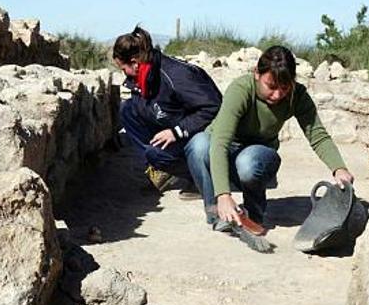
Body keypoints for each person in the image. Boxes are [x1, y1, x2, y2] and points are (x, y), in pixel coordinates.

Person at [184, 45, 355, 229]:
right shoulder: (241, 90)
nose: (277, 94)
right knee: (199, 145)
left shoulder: (297, 96)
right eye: (271, 86)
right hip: (224, 150)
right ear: (257, 73)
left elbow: (318, 135)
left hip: (257, 157)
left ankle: (254, 214)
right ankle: (219, 213)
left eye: (285, 88)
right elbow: (220, 142)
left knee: (247, 162)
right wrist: (223, 195)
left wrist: (339, 168)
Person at [113, 26, 222, 192]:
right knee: (128, 109)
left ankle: (199, 175)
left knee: (155, 153)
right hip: (171, 121)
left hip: (197, 134)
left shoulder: (177, 75)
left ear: (135, 63)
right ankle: (161, 170)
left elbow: (213, 107)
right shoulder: (143, 76)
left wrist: (177, 132)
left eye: (123, 69)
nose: (124, 74)